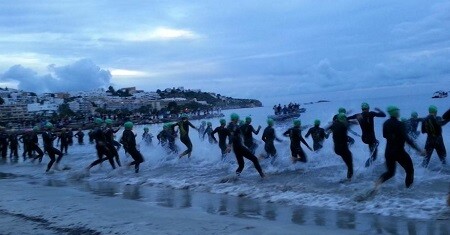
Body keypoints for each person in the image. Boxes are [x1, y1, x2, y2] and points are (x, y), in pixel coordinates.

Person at [376, 106, 425, 189]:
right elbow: (407, 139)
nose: (399, 112)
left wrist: (393, 136)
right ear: (395, 112)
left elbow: (384, 135)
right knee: (410, 170)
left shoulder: (385, 123)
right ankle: (408, 190)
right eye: (397, 111)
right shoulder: (400, 124)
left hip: (388, 152)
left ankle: (376, 184)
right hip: (399, 152)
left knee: (390, 172)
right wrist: (419, 150)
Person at [347, 102, 386, 167]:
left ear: (362, 109)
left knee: (372, 152)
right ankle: (365, 168)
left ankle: (369, 166)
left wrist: (351, 122)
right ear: (368, 108)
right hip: (371, 138)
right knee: (374, 156)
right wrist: (379, 110)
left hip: (364, 138)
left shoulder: (358, 115)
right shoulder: (371, 113)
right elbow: (383, 115)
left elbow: (346, 118)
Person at [227, 113, 265, 178]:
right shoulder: (233, 125)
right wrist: (229, 145)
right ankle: (263, 176)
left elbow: (233, 135)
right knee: (255, 159)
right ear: (235, 118)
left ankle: (234, 178)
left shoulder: (231, 125)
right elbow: (231, 136)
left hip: (236, 148)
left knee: (241, 165)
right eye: (237, 118)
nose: (238, 119)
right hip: (239, 146)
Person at [326, 113, 355, 181]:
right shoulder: (343, 125)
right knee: (350, 164)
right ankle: (349, 179)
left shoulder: (334, 125)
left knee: (348, 162)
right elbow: (348, 124)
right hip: (343, 149)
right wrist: (355, 121)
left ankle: (348, 178)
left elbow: (326, 129)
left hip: (337, 149)